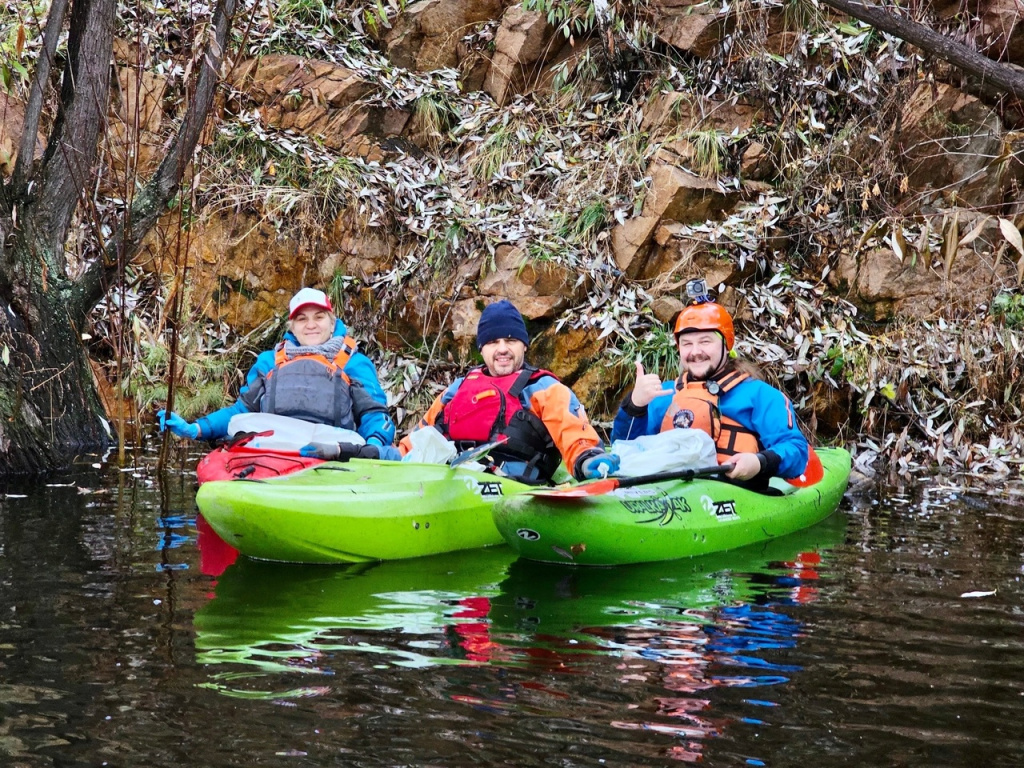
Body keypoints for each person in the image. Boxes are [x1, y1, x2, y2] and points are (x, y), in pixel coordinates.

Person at [321, 300, 618, 483]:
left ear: (524, 346)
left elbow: (574, 434)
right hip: (451, 480)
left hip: (512, 489)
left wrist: (587, 460)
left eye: (510, 341)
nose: (502, 349)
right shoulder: (458, 389)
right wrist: (368, 454)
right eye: (493, 342)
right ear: (481, 349)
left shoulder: (543, 389)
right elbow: (419, 441)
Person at [611, 282, 812, 491]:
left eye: (705, 341)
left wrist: (759, 462)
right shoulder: (663, 395)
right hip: (669, 493)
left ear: (726, 345)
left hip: (737, 495)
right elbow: (625, 452)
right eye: (687, 344)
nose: (695, 351)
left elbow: (796, 451)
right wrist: (635, 406)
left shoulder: (760, 396)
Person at [158, 287, 395, 448]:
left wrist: (373, 446)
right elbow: (241, 411)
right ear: (292, 326)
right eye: (302, 319)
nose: (311, 325)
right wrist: (196, 429)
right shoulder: (269, 362)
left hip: (333, 459)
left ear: (332, 323)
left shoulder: (354, 363)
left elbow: (374, 415)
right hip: (273, 455)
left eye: (319, 317)